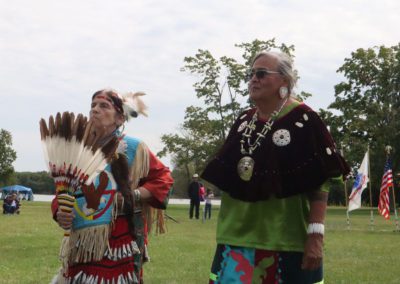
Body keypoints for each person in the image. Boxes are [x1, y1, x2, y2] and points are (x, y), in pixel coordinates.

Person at [201, 51, 350, 283]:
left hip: (285, 241)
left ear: (285, 80)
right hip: (235, 240)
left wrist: (315, 234)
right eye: (250, 74)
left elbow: (321, 182)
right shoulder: (243, 121)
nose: (253, 79)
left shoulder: (304, 120)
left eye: (261, 73)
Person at [51, 89, 173, 283]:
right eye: (92, 106)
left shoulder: (133, 148)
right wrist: (60, 212)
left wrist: (133, 195)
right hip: (81, 244)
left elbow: (163, 179)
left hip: (119, 239)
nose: (95, 110)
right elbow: (63, 191)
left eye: (103, 106)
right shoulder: (78, 151)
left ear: (120, 118)